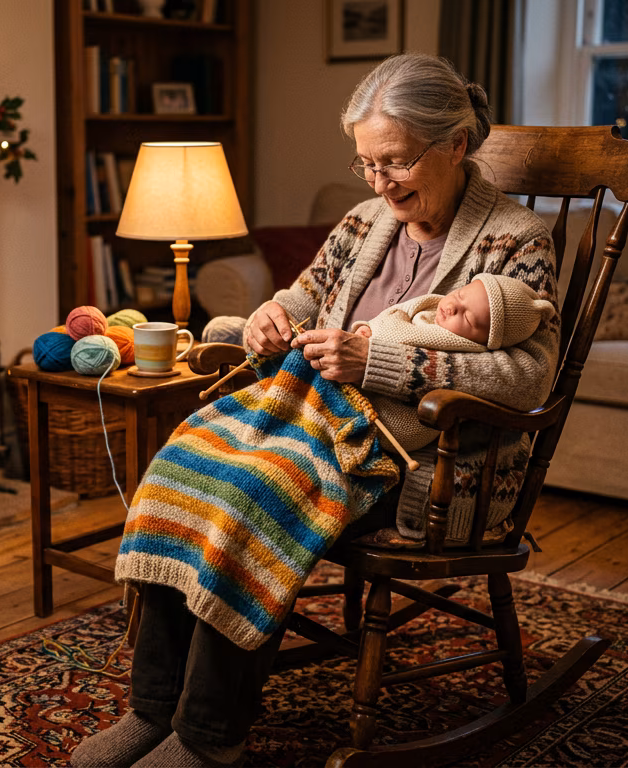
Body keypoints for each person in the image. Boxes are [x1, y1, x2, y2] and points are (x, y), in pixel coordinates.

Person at [71, 52, 560, 767]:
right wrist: (273, 314)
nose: (378, 182)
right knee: (179, 467)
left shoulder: (518, 239)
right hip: (303, 413)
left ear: (455, 144)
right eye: (366, 163)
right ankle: (154, 708)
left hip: (413, 456)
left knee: (251, 498)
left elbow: (527, 376)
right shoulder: (364, 222)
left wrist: (381, 363)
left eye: (393, 162)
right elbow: (306, 295)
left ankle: (209, 737)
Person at [352, 273, 557, 455]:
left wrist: (372, 336)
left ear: (483, 341)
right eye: (460, 294)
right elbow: (397, 312)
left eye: (467, 318)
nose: (452, 307)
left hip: (402, 417)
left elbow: (398, 334)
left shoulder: (460, 344)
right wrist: (370, 326)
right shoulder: (435, 305)